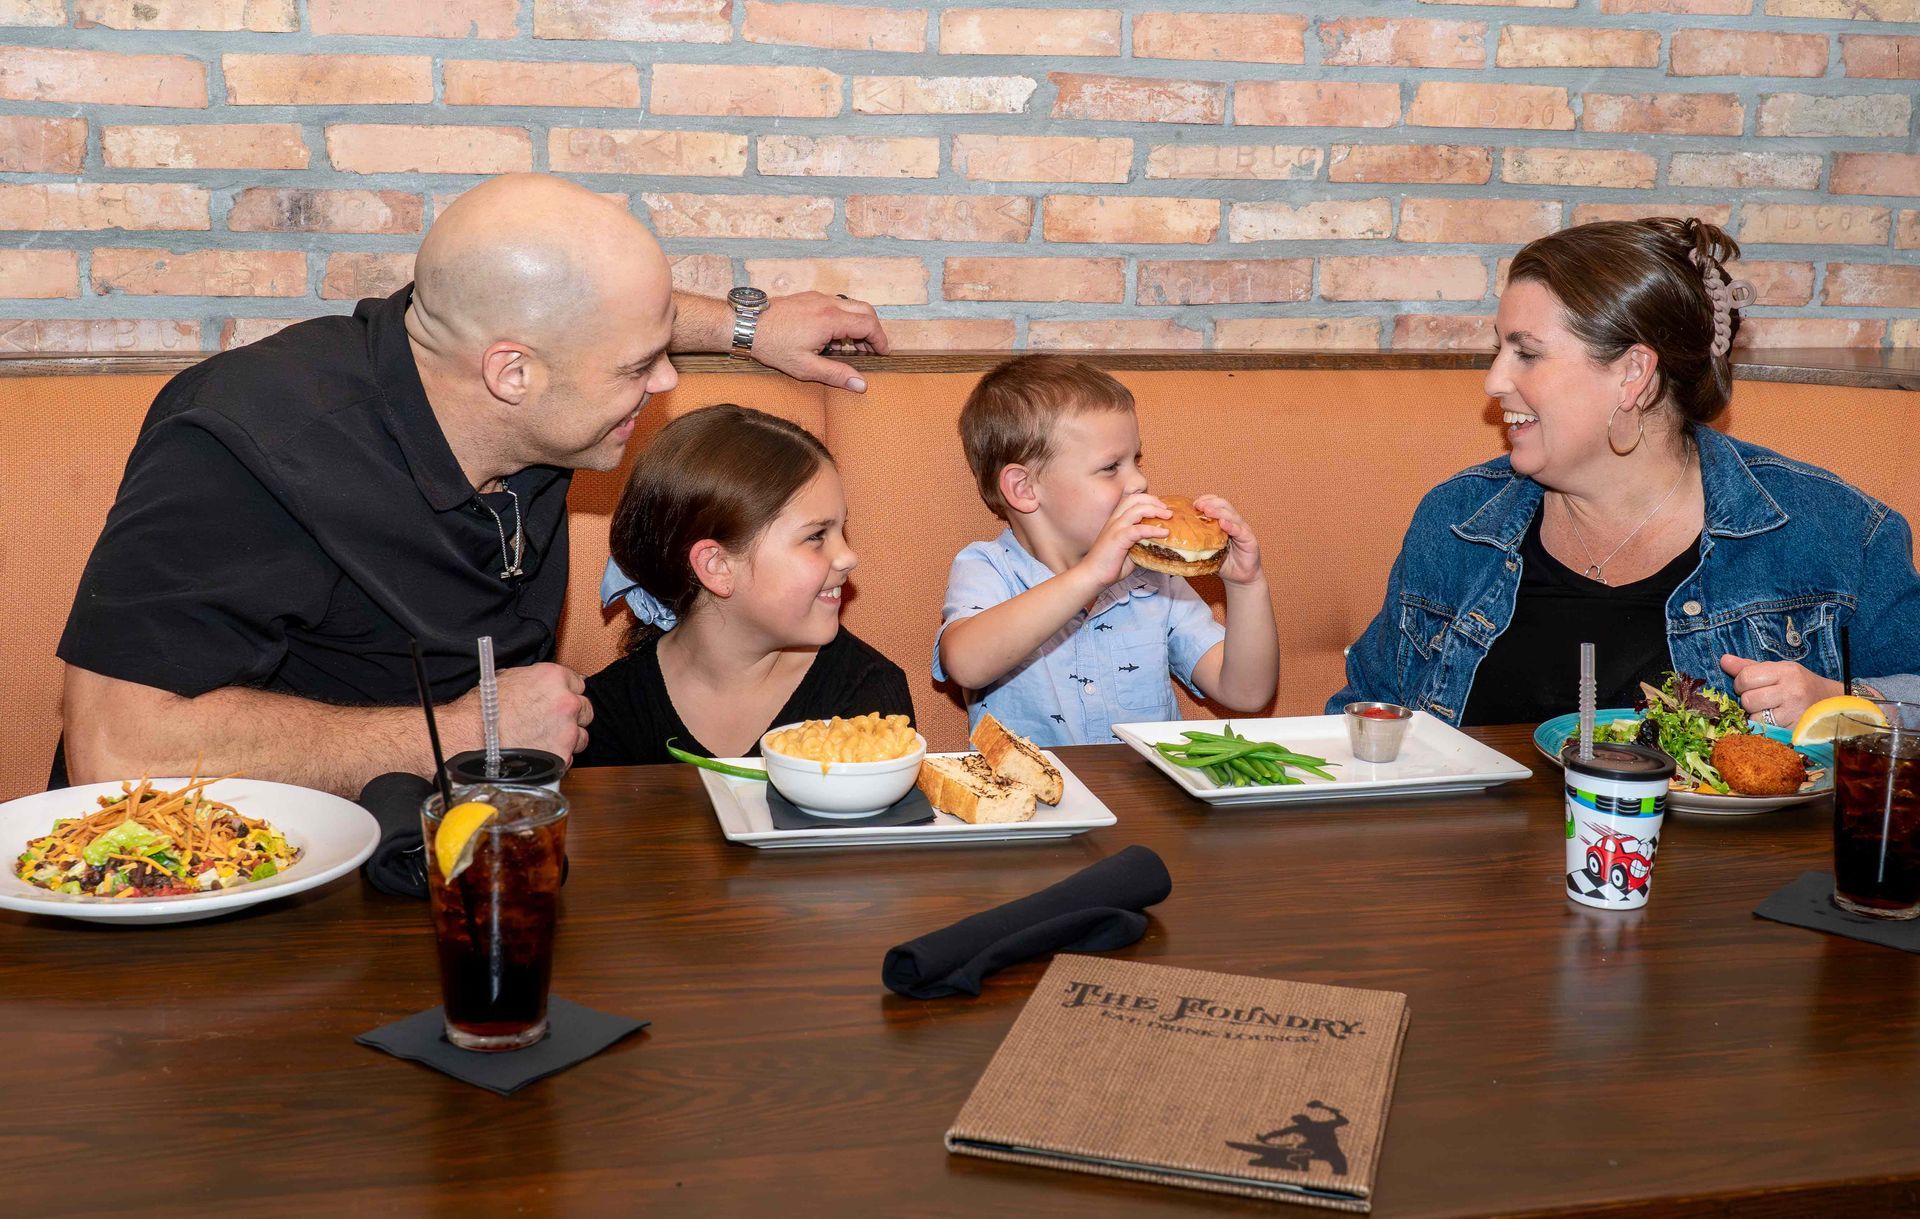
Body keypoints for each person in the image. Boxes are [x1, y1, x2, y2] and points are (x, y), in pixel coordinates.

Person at [58, 173, 890, 796]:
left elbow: (575, 306)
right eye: (638, 366)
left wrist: (750, 325)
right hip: (241, 890)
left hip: (466, 851)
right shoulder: (245, 443)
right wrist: (466, 730)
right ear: (512, 373)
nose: (665, 381)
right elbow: (121, 750)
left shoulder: (507, 377)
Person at [1331, 218, 1920, 728]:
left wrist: (1847, 705)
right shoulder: (1457, 524)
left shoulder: (1833, 532)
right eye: (1499, 349)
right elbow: (1362, 721)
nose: (1493, 380)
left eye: (1527, 352)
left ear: (1633, 373)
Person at [934, 354, 1278, 747]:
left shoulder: (1155, 579)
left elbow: (1246, 693)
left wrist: (1247, 586)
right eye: (1111, 467)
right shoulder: (989, 569)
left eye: (1136, 460)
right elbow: (965, 664)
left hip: (1147, 796)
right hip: (1035, 802)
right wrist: (1090, 576)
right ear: (1025, 489)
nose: (1139, 481)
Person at [578, 406, 913, 765]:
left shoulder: (866, 699)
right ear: (718, 566)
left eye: (840, 530)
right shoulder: (606, 714)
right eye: (817, 536)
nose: (848, 557)